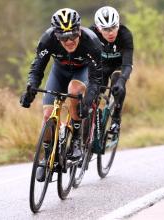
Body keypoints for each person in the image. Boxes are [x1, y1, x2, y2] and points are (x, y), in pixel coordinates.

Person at [20, 8, 103, 163]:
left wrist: (87, 101)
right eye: (63, 37)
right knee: (47, 115)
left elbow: (96, 79)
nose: (69, 41)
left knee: (74, 89)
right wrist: (30, 89)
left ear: (79, 30)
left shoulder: (91, 42)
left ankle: (76, 140)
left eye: (73, 35)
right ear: (56, 35)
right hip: (59, 72)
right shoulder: (47, 39)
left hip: (82, 72)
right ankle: (48, 153)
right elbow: (37, 68)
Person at [90, 6, 133, 134]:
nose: (110, 32)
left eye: (114, 27)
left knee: (117, 81)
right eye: (106, 29)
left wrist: (122, 81)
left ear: (118, 24)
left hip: (119, 66)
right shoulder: (91, 35)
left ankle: (116, 119)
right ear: (98, 28)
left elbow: (128, 64)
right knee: (95, 93)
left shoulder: (125, 35)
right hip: (101, 66)